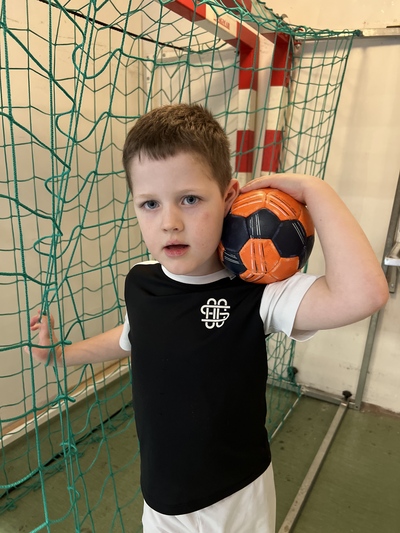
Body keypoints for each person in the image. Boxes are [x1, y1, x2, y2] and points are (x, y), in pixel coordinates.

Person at [28, 103, 389, 532]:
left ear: (229, 198)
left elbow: (364, 294)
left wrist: (316, 192)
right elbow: (132, 336)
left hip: (235, 498)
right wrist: (60, 355)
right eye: (149, 204)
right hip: (161, 499)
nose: (170, 223)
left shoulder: (258, 292)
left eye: (190, 199)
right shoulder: (142, 282)